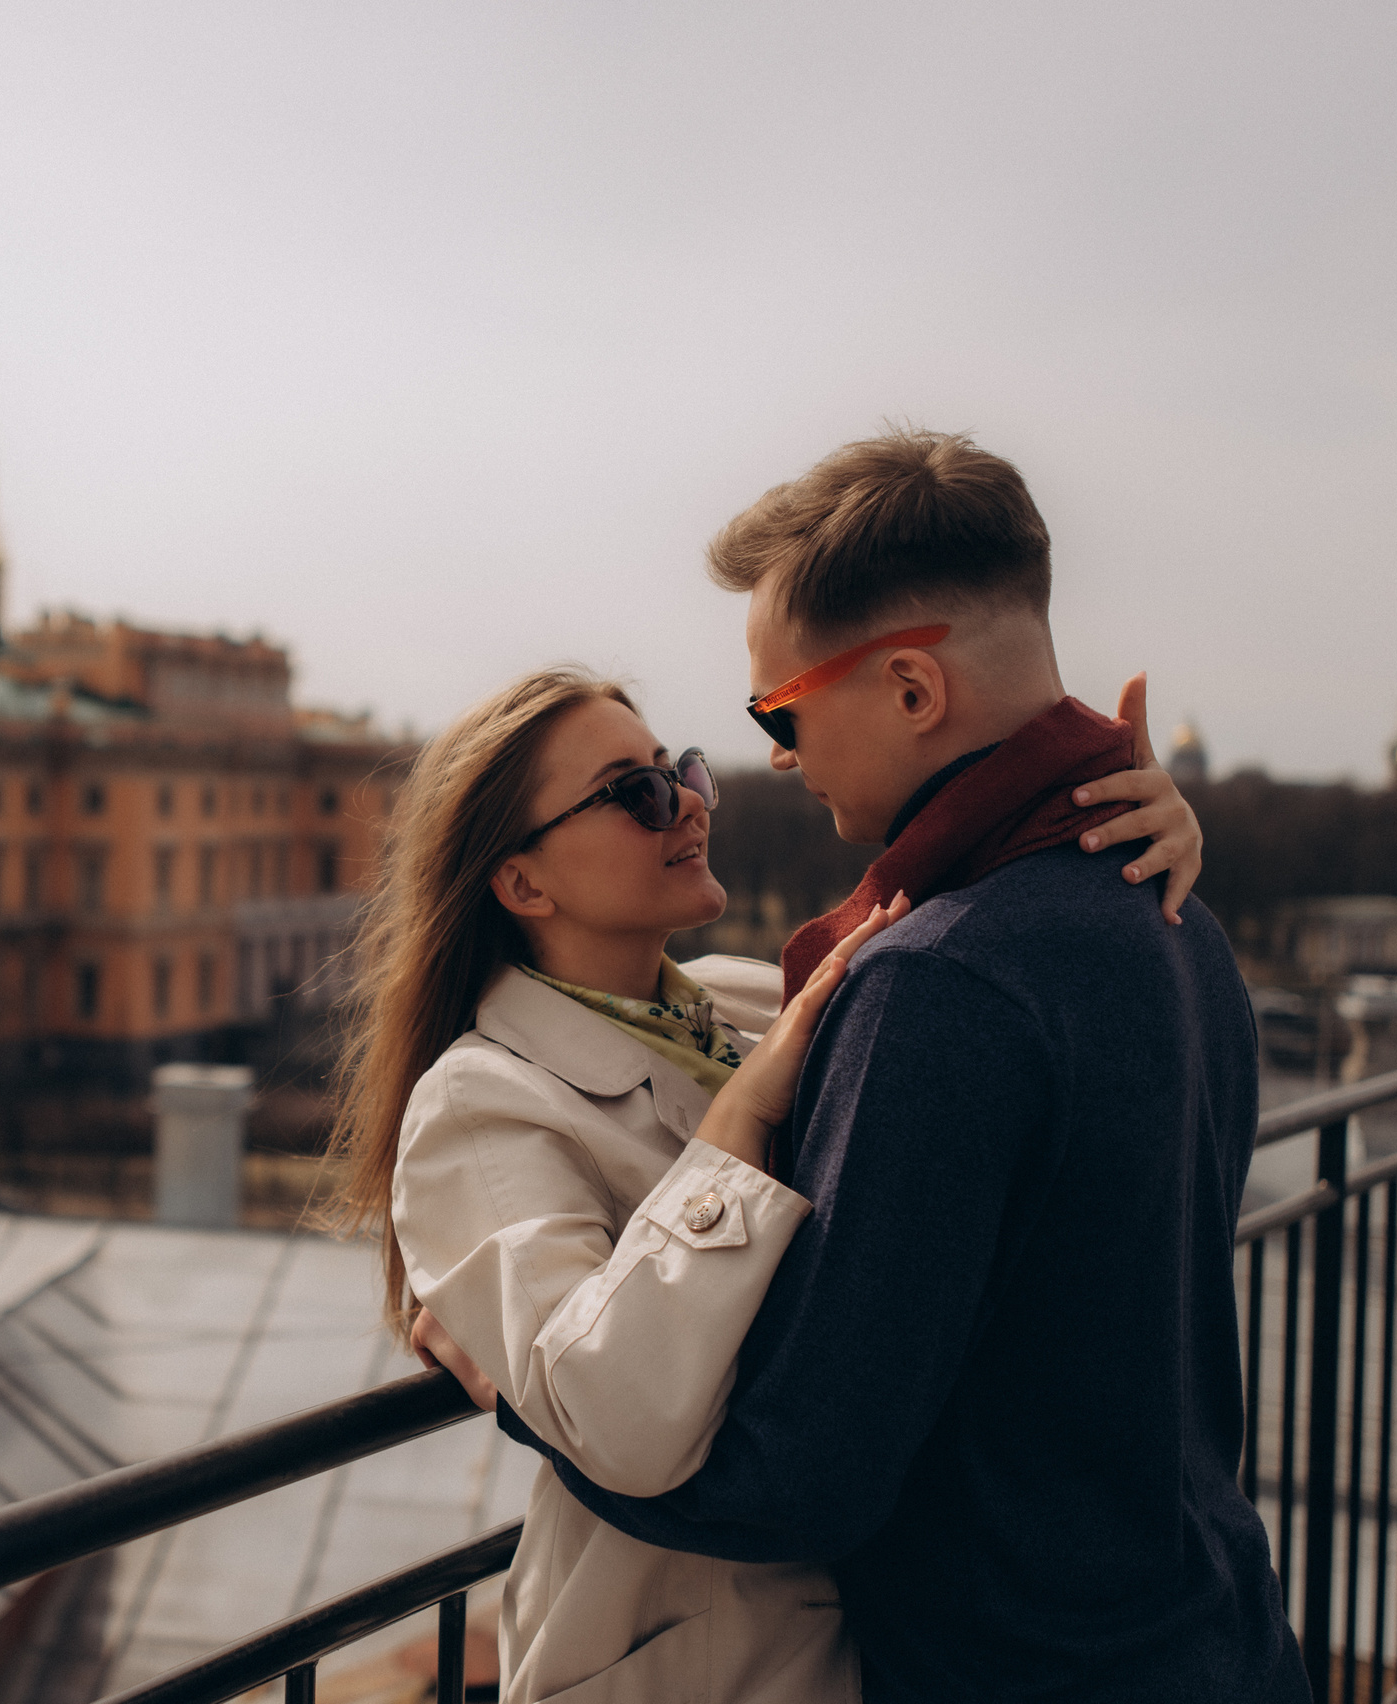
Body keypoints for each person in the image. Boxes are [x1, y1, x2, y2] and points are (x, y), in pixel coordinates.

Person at [415, 430, 1304, 1702]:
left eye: (776, 711)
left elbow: (795, 1476)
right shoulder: (1172, 920)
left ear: (909, 690)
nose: (768, 757)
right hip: (1213, 1631)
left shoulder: (933, 986)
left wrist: (518, 1390)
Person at [339, 652, 1204, 1702]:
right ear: (521, 881)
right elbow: (618, 1420)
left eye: (681, 773)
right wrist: (740, 1121)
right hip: (699, 1667)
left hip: (882, 1631)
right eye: (637, 794)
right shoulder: (479, 1105)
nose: (689, 808)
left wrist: (1127, 831)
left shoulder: (748, 1000)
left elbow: (1000, 951)